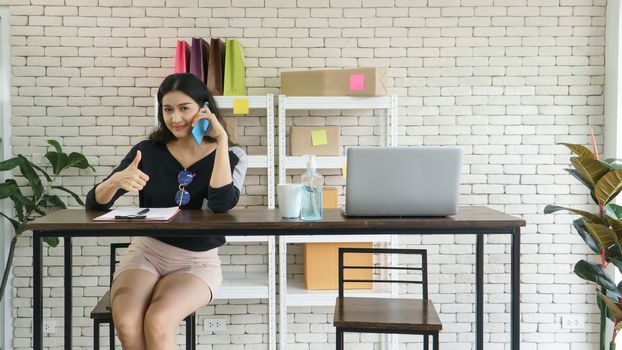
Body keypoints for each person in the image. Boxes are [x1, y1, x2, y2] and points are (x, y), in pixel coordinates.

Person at [85, 73, 247, 350]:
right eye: (168, 109)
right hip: (146, 253)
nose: (175, 118)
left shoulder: (233, 156)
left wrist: (220, 140)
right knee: (126, 322)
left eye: (184, 108)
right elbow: (95, 203)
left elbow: (221, 204)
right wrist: (114, 182)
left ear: (203, 108)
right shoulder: (146, 151)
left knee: (158, 321)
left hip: (197, 262)